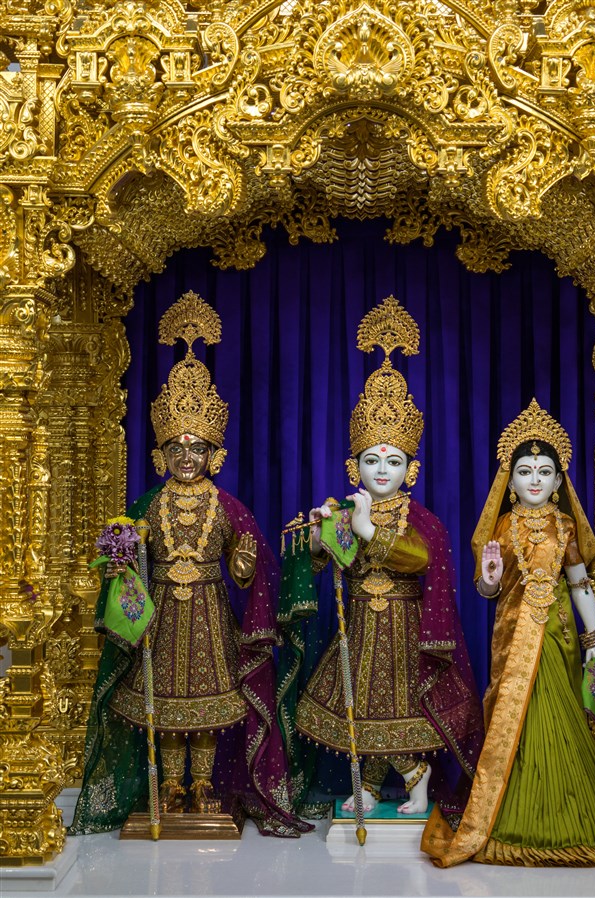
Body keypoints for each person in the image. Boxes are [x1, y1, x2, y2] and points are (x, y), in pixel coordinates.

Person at [70, 291, 310, 837]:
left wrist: (243, 560)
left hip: (207, 614)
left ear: (213, 454)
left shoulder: (228, 506)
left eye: (196, 448)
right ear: (161, 454)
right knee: (164, 709)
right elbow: (119, 558)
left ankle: (201, 785)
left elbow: (248, 568)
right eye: (176, 448)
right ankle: (170, 786)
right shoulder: (146, 505)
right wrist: (121, 557)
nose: (185, 457)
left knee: (207, 708)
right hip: (160, 619)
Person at [422, 399, 595, 866]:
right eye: (525, 472)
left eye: (545, 472)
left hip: (559, 638)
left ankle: (570, 814)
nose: (535, 481)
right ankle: (510, 813)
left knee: (559, 715)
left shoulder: (565, 527)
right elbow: (487, 591)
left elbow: (581, 585)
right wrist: (488, 578)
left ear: (559, 482)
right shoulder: (502, 527)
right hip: (511, 639)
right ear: (510, 483)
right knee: (514, 720)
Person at [292, 296, 483, 817]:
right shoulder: (344, 506)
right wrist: (320, 536)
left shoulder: (422, 520)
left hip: (403, 628)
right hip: (360, 622)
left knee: (395, 702)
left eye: (393, 461)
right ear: (354, 466)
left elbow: (419, 560)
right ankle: (372, 783)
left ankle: (417, 778)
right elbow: (328, 562)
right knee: (360, 701)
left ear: (410, 470)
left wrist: (364, 528)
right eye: (372, 460)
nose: (382, 470)